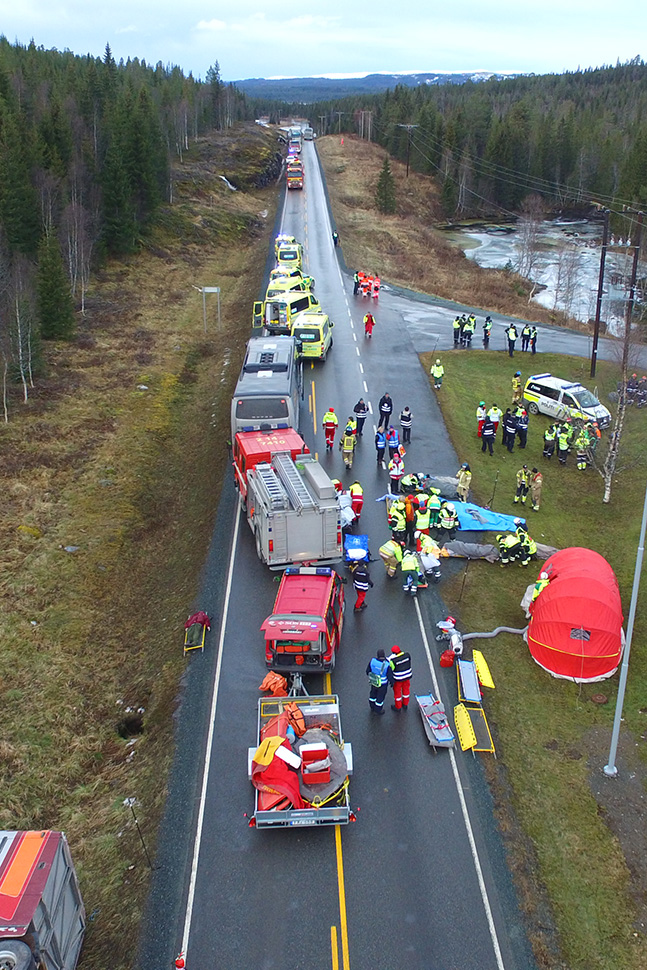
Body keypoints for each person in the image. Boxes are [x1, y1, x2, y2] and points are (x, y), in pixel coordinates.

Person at [366, 649, 394, 715]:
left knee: (373, 694)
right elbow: (390, 676)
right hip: (383, 684)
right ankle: (378, 710)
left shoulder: (372, 661)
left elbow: (368, 671)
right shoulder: (387, 665)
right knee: (380, 697)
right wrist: (392, 683)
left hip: (374, 682)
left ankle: (372, 706)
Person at [388, 645, 412, 711]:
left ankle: (398, 707)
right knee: (406, 690)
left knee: (397, 692)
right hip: (407, 677)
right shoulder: (407, 655)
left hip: (398, 679)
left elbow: (392, 669)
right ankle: (405, 704)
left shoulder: (393, 661)